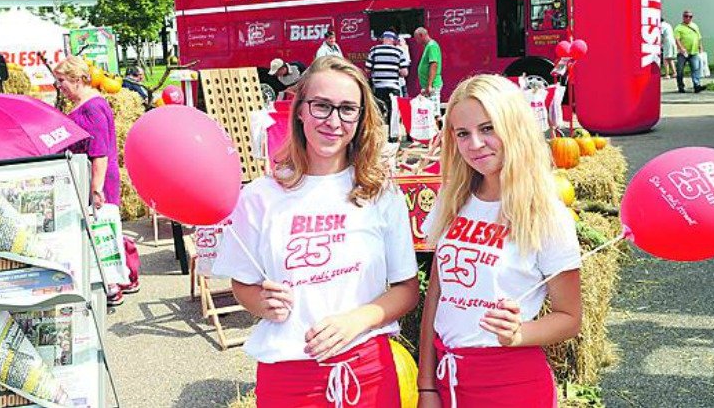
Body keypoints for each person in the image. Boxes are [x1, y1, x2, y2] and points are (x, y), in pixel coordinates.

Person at [214, 56, 419, 408]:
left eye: (347, 109)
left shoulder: (380, 193)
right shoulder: (259, 197)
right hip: (289, 377)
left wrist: (357, 320)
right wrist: (259, 302)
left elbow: (406, 289)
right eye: (322, 106)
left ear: (360, 118)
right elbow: (243, 283)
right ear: (300, 110)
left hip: (367, 370)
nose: (333, 121)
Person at [417, 74, 582, 408]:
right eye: (463, 133)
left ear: (514, 127)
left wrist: (519, 333)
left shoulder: (546, 214)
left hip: (512, 382)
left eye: (488, 128)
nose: (475, 143)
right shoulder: (452, 200)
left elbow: (569, 317)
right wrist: (426, 386)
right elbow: (436, 296)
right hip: (447, 380)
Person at [53, 56, 139, 305]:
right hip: (89, 175)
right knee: (102, 227)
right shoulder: (83, 104)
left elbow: (99, 151)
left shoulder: (92, 107)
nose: (60, 87)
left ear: (78, 79)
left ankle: (115, 282)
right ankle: (122, 276)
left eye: (62, 81)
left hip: (97, 176)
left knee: (102, 227)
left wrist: (96, 188)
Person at [365, 31, 409, 122]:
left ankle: (381, 132)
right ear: (393, 40)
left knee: (379, 111)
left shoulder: (374, 50)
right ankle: (392, 134)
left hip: (379, 87)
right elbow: (404, 73)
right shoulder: (399, 51)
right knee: (393, 112)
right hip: (394, 87)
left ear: (383, 39)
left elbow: (367, 69)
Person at [673, 10, 706, 93]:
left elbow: (698, 38)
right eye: (686, 16)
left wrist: (700, 48)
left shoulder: (695, 26)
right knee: (680, 70)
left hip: (694, 52)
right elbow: (677, 39)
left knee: (695, 69)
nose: (688, 18)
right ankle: (681, 86)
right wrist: (681, 48)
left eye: (690, 16)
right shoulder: (678, 28)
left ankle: (696, 86)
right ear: (683, 17)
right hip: (682, 53)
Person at [414, 27, 444, 117]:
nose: (416, 41)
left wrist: (429, 85)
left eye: (416, 38)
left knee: (434, 113)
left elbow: (434, 64)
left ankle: (436, 130)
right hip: (428, 86)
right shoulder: (428, 46)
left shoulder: (432, 46)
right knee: (429, 112)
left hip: (433, 86)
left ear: (421, 35)